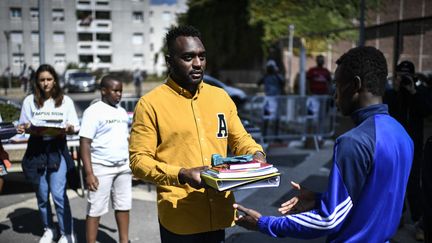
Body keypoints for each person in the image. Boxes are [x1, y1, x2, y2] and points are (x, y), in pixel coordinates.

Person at [233, 46, 414, 241]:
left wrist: (265, 223)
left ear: (355, 85)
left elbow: (328, 220)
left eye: (337, 84)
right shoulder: (402, 135)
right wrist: (320, 200)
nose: (334, 93)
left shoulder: (353, 142)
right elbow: (374, 200)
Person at [129, 25, 265, 243]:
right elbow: (138, 161)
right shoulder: (150, 104)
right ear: (169, 61)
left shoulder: (220, 97)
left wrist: (256, 154)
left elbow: (240, 139)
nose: (197, 64)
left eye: (202, 56)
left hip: (220, 213)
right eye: (188, 57)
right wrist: (181, 173)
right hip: (180, 219)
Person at [17, 64, 79, 243]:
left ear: (55, 80)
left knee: (59, 195)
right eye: (42, 80)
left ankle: (67, 233)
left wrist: (69, 128)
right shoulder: (29, 101)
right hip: (36, 152)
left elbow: (75, 127)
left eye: (49, 79)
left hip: (57, 151)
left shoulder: (65, 101)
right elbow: (23, 127)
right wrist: (26, 127)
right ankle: (48, 229)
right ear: (37, 81)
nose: (45, 83)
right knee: (42, 195)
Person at [79, 75, 131, 243]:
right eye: (115, 91)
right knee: (96, 209)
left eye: (121, 91)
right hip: (101, 167)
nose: (119, 94)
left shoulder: (122, 111)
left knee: (123, 206)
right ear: (103, 91)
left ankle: (124, 240)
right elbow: (85, 143)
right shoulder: (93, 111)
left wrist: (132, 163)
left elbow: (125, 139)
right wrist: (89, 173)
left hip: (123, 167)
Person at [384, 60, 432, 240]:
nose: (404, 80)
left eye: (407, 77)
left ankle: (420, 220)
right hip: (394, 145)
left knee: (414, 183)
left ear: (413, 77)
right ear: (395, 76)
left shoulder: (420, 93)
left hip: (415, 144)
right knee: (394, 181)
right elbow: (387, 112)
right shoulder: (390, 95)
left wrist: (413, 92)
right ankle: (398, 215)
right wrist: (397, 90)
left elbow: (427, 111)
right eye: (400, 76)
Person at [257, 62, 285, 141]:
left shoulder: (277, 76)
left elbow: (283, 82)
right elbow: (258, 83)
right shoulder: (266, 76)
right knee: (266, 118)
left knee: (276, 119)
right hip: (268, 100)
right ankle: (264, 136)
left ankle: (276, 136)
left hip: (276, 99)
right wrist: (265, 74)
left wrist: (276, 73)